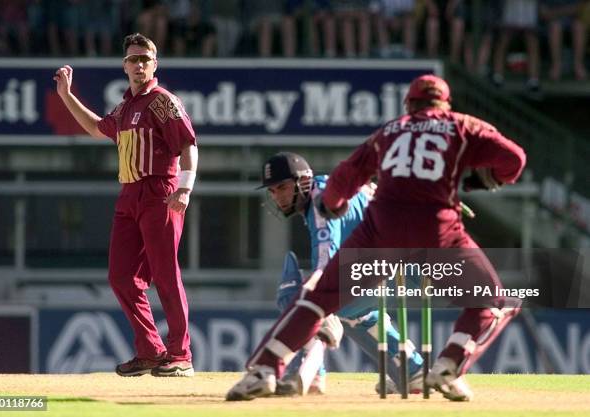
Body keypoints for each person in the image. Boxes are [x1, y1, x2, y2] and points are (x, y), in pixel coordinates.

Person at [226, 74, 526, 401]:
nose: (278, 196)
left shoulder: (389, 131)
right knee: (492, 299)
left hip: (382, 230)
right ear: (445, 103)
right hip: (435, 229)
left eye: (281, 188)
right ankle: (446, 365)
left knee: (316, 297)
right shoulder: (462, 125)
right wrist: (488, 179)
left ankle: (266, 368)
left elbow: (346, 175)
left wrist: (332, 205)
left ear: (408, 104)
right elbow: (515, 160)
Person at [53, 32, 198, 377]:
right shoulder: (127, 105)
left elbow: (189, 145)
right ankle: (150, 350)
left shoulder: (163, 101)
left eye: (144, 59)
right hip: (129, 194)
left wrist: (185, 187)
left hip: (159, 191)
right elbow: (96, 129)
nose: (138, 65)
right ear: (124, 65)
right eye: (133, 59)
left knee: (165, 275)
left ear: (154, 65)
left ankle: (180, 355)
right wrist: (66, 96)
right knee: (121, 277)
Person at [244, 152, 426, 397]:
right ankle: (412, 371)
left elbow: (326, 264)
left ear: (303, 181)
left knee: (298, 296)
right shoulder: (328, 186)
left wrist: (319, 309)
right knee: (356, 314)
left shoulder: (321, 203)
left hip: (405, 264)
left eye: (283, 187)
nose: (278, 197)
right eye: (273, 191)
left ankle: (312, 372)